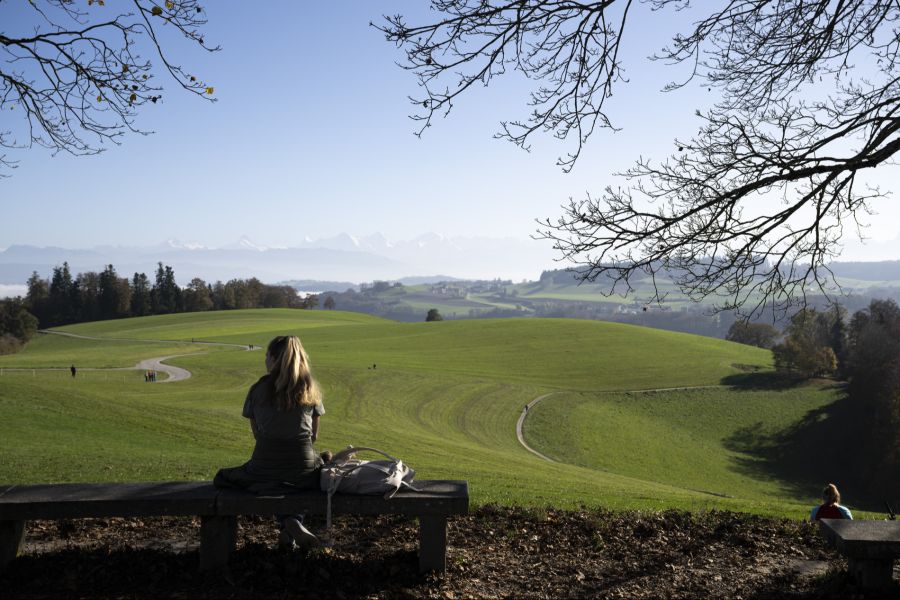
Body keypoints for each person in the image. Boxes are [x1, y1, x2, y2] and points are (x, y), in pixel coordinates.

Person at [214, 335, 326, 550]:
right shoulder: (309, 387)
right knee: (298, 479)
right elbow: (313, 436)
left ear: (274, 359)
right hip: (302, 468)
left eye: (266, 355)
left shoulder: (258, 389)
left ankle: (288, 524)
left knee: (230, 478)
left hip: (263, 467)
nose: (264, 360)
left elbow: (258, 434)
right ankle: (292, 523)